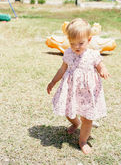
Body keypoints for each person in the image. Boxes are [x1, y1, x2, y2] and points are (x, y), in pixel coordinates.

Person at [47, 18, 109, 154]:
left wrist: (102, 70)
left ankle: (83, 141)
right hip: (71, 89)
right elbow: (62, 69)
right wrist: (53, 82)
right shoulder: (68, 53)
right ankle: (75, 123)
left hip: (88, 91)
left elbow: (100, 64)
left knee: (87, 117)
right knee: (68, 111)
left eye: (81, 43)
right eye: (72, 43)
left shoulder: (93, 54)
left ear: (89, 39)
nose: (76, 47)